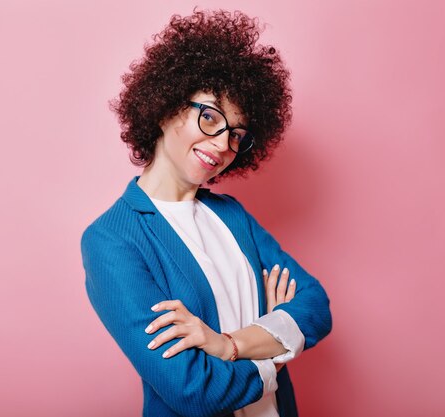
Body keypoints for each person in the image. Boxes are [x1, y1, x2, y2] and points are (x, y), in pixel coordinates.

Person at [81, 9, 332, 417]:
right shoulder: (112, 240)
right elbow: (192, 389)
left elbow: (316, 306)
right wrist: (276, 350)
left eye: (236, 134)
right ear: (165, 107)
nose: (221, 145)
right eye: (210, 116)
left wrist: (227, 346)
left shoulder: (232, 216)